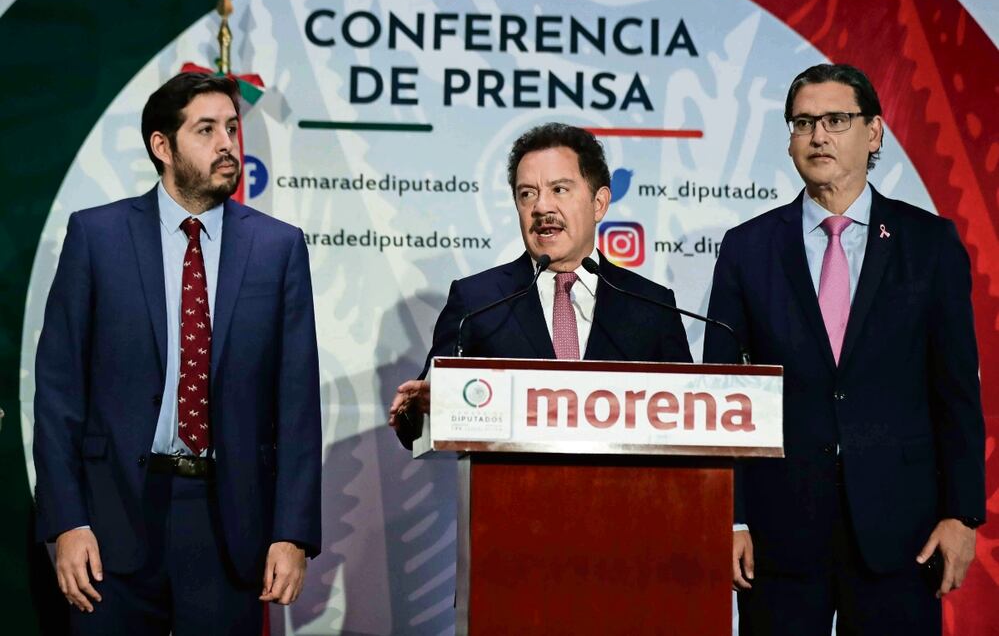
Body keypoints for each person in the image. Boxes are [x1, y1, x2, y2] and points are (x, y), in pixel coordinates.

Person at [33, 72, 322, 634]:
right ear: (161, 146)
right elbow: (58, 393)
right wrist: (67, 522)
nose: (227, 145)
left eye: (233, 129)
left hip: (229, 524)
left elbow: (297, 402)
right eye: (206, 130)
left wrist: (292, 532)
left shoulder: (277, 247)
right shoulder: (97, 236)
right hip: (110, 523)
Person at [704, 63, 985, 634]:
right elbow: (723, 396)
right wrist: (729, 519)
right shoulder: (747, 248)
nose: (818, 135)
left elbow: (956, 390)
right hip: (778, 534)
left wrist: (963, 514)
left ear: (874, 132)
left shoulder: (929, 245)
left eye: (837, 119)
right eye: (803, 122)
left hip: (901, 533)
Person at [389, 122, 692, 447]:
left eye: (559, 189)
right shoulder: (477, 301)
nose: (541, 207)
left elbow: (691, 419)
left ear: (599, 203)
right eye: (527, 194)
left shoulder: (651, 305)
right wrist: (418, 410)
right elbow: (420, 414)